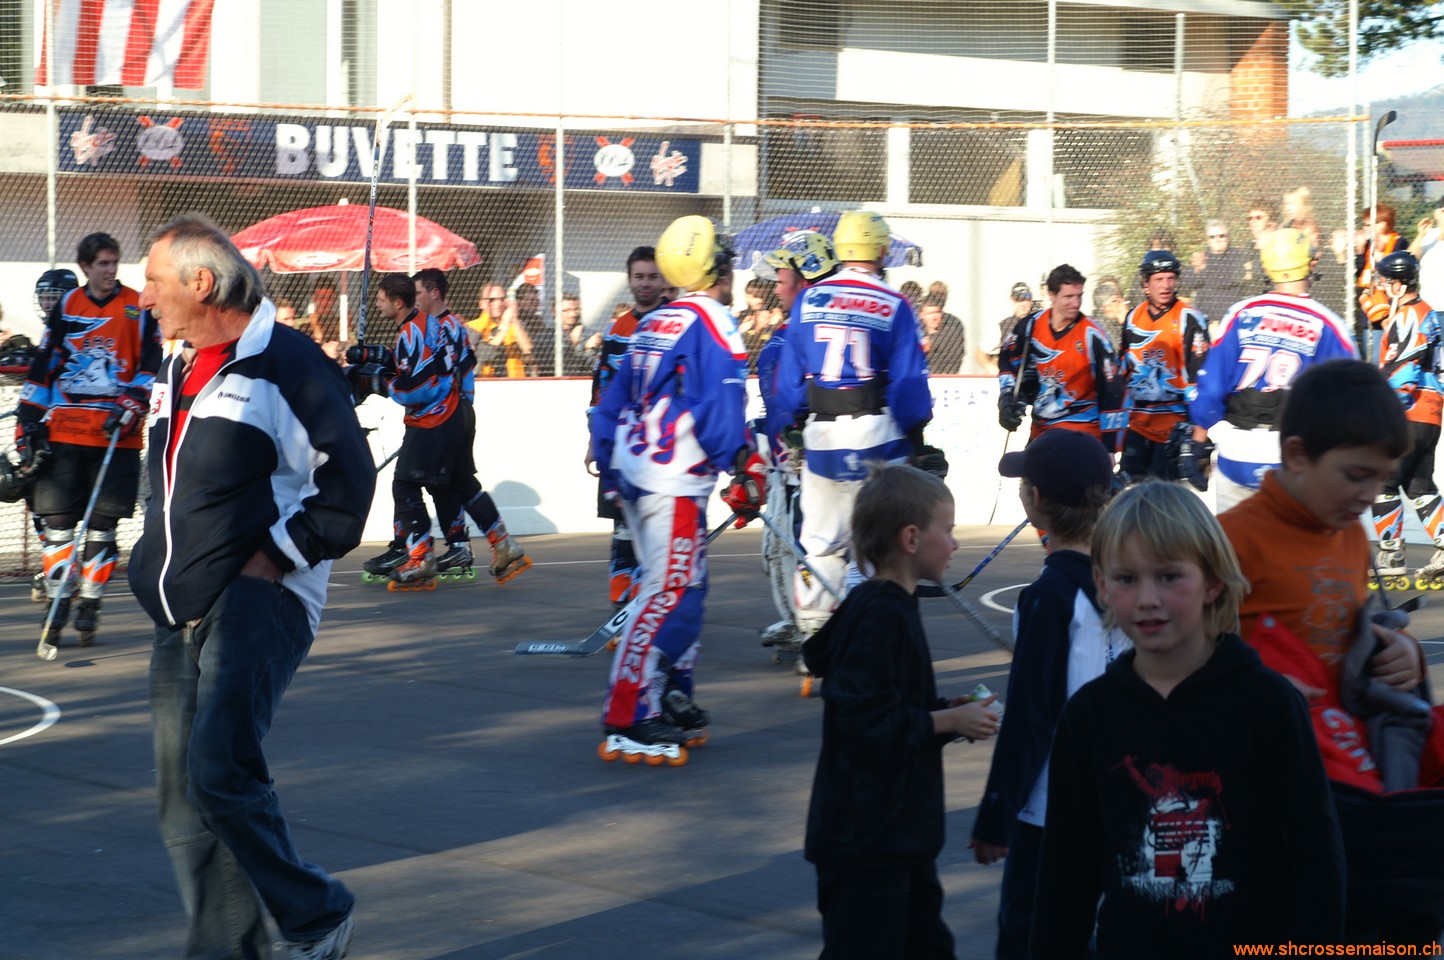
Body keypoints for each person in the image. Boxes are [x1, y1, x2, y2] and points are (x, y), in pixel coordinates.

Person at [132, 215, 372, 960]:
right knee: (184, 804)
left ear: (201, 283)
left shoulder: (289, 364)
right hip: (178, 607)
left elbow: (349, 481)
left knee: (218, 771)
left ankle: (317, 913)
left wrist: (274, 557)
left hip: (257, 601)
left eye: (153, 281)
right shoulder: (177, 364)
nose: (144, 297)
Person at [1031, 480, 1347, 958]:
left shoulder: (1268, 704)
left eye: (1169, 576)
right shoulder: (1089, 717)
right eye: (1126, 578)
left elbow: (1316, 856)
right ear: (1101, 584)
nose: (1147, 598)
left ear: (1212, 582)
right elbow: (1065, 871)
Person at [1219, 359, 1444, 943]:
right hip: (1270, 792)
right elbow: (1192, 658)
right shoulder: (1234, 540)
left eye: (1381, 479)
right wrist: (1253, 686)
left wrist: (1402, 654)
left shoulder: (1349, 538)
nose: (1369, 497)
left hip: (1346, 776)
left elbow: (1357, 634)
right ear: (1297, 455)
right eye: (1356, 476)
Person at [802, 463, 1000, 960]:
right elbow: (864, 723)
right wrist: (947, 721)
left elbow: (891, 708)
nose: (955, 544)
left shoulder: (889, 607)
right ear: (911, 538)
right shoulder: (880, 615)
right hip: (867, 843)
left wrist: (946, 713)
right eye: (947, 531)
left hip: (897, 838)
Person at [588, 215, 762, 760]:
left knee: (685, 588)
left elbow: (612, 400)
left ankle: (670, 694)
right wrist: (743, 463)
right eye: (726, 260)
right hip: (674, 481)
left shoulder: (656, 321)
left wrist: (610, 462)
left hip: (639, 472)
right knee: (670, 593)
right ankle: (629, 712)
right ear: (716, 270)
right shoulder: (714, 320)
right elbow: (719, 405)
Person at [968, 429, 1124, 960]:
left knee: (1029, 932)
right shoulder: (1127, 585)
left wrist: (996, 812)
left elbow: (1032, 716)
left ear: (1033, 499)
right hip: (1116, 795)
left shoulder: (1047, 597)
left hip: (1050, 810)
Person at [775, 210, 934, 634]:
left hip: (822, 437)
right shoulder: (894, 304)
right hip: (877, 437)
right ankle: (873, 634)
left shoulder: (810, 299)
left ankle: (813, 636)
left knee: (821, 543)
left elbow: (788, 382)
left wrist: (794, 425)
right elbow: (908, 387)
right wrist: (918, 440)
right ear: (880, 250)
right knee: (881, 545)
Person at [18, 231, 159, 654]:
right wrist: (29, 420)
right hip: (65, 432)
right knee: (58, 524)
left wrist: (134, 400)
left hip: (117, 436)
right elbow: (45, 363)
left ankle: (91, 604)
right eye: (102, 264)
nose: (111, 270)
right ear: (85, 267)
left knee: (102, 525)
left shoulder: (137, 306)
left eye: (114, 262)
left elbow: (152, 361)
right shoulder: (68, 305)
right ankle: (58, 602)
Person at [353, 273, 530, 586]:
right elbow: (420, 364)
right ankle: (502, 543)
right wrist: (374, 355)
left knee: (405, 484)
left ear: (399, 301)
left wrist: (377, 382)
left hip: (437, 417)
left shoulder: (418, 329)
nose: (377, 304)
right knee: (459, 484)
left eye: (380, 299)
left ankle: (419, 556)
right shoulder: (432, 324)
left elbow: (418, 386)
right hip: (455, 412)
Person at [1186, 227, 1359, 510]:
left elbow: (1212, 386)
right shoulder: (1330, 325)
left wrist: (1198, 441)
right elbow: (1350, 402)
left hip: (1237, 451)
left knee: (1234, 538)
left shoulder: (1241, 313)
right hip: (1292, 456)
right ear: (1310, 264)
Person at [751, 230, 843, 650]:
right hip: (790, 461)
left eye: (782, 279)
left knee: (804, 546)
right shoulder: (794, 329)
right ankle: (802, 620)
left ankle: (817, 630)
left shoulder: (800, 332)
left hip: (806, 463)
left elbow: (793, 402)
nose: (776, 288)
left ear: (804, 281)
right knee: (782, 548)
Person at [585, 246, 664, 610]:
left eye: (652, 276)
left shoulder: (676, 322)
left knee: (657, 529)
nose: (645, 283)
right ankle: (621, 607)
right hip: (621, 446)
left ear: (663, 280)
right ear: (629, 280)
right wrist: (593, 440)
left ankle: (654, 605)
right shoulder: (617, 329)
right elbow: (600, 388)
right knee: (621, 528)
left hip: (662, 448)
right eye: (639, 276)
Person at [1364, 251, 1444, 583]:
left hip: (1406, 410)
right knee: (1419, 485)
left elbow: (1403, 370)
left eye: (1385, 283)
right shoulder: (1432, 316)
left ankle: (1391, 554)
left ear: (1398, 285)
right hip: (1432, 411)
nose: (1382, 288)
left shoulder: (1405, 317)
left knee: (1382, 482)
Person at [997, 263, 1123, 446]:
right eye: (1068, 297)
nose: (1076, 303)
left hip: (1083, 431)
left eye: (1079, 296)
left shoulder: (1093, 334)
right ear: (1052, 295)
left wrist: (1110, 446)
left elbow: (1113, 390)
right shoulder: (1030, 327)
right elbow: (1008, 362)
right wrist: (1008, 398)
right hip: (1042, 430)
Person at [1117, 250, 1210, 482]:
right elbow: (1124, 371)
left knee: (1163, 494)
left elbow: (1200, 378)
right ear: (1145, 284)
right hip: (1138, 425)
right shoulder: (1132, 318)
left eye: (1171, 278)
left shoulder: (1189, 318)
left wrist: (1195, 431)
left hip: (1173, 428)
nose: (1166, 285)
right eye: (1159, 279)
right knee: (1128, 490)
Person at [1181, 219, 1254, 335]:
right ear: (1208, 240)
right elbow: (1188, 284)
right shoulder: (1203, 257)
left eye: (1221, 236)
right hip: (1206, 317)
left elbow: (1232, 279)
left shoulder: (1238, 256)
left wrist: (1204, 272)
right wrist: (1196, 271)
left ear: (1228, 237)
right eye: (1212, 237)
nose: (1217, 240)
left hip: (1231, 317)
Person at [976, 282, 1034, 375]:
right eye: (1019, 300)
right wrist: (991, 368)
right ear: (1012, 301)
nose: (1023, 304)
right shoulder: (1003, 326)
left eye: (1026, 299)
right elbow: (980, 352)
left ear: (1031, 301)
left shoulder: (1039, 322)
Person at [917, 292, 966, 374]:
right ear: (921, 315)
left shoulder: (952, 329)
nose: (934, 317)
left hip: (944, 376)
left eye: (937, 312)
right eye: (929, 313)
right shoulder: (917, 329)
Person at [1408, 200, 1444, 309]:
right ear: (1436, 214)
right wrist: (1421, 235)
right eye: (1443, 211)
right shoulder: (1429, 235)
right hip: (1429, 306)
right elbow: (1409, 259)